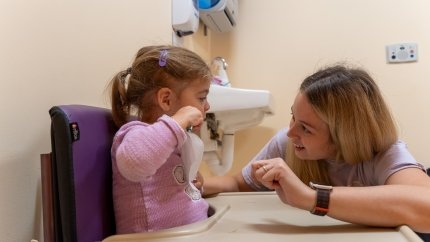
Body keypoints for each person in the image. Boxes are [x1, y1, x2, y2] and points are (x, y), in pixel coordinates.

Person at [203, 64, 430, 233]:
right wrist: (196, 184)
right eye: (293, 117)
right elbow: (237, 183)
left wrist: (311, 198)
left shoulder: (386, 153)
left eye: (306, 128)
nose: (291, 132)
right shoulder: (288, 142)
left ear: (345, 136)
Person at [108, 45, 212, 234]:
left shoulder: (170, 140)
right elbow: (134, 161)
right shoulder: (134, 133)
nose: (207, 105)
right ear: (166, 100)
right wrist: (178, 121)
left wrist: (192, 183)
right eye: (202, 98)